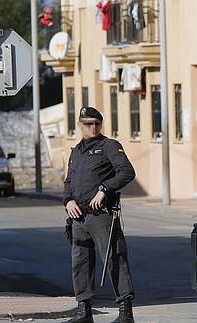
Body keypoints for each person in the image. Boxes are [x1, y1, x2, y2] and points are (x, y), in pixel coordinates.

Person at [63, 107, 136, 323]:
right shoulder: (76, 151)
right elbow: (69, 182)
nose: (92, 127)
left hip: (101, 215)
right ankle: (83, 312)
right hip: (78, 216)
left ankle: (125, 312)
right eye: (88, 124)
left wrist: (105, 189)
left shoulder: (110, 147)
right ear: (79, 125)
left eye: (96, 123)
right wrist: (68, 201)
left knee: (114, 259)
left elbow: (127, 172)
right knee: (80, 263)